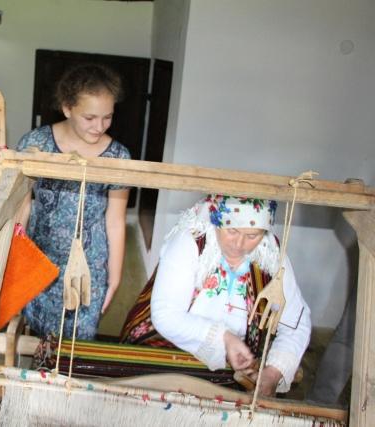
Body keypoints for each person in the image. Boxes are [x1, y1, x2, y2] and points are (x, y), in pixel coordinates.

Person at [122, 195, 311, 397]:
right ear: (216, 219)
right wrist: (224, 338)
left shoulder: (270, 253)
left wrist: (273, 373)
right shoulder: (192, 240)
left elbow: (297, 322)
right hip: (163, 348)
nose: (239, 244)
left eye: (252, 235)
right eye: (232, 231)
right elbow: (166, 315)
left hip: (233, 365)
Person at [17, 64, 131, 340]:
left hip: (88, 268)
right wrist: (15, 257)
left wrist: (114, 277)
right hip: (40, 257)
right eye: (90, 117)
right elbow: (22, 206)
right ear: (67, 108)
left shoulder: (118, 156)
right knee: (36, 339)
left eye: (107, 117)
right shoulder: (36, 144)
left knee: (74, 348)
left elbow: (115, 221)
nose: (100, 126)